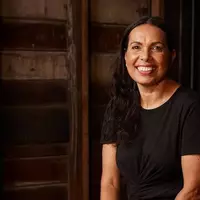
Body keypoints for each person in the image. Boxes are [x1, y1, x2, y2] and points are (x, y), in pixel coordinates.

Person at [100, 16, 200, 200]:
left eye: (157, 48)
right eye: (136, 47)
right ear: (125, 55)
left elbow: (192, 191)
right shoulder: (118, 105)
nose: (145, 57)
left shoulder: (191, 107)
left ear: (172, 55)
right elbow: (110, 182)